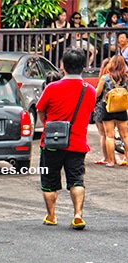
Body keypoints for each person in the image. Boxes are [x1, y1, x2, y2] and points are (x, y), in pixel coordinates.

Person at [36, 48, 96, 230]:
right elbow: (89, 112)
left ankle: (51, 215)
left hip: (51, 143)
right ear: (83, 67)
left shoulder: (52, 88)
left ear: (62, 66)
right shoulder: (90, 90)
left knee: (49, 181)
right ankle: (78, 214)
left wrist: (48, 125)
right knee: (76, 179)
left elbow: (40, 110)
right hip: (77, 143)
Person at [94, 55, 128, 167]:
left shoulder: (105, 78)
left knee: (109, 136)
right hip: (122, 108)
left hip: (107, 108)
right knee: (125, 135)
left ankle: (111, 161)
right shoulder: (126, 78)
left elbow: (97, 94)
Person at [93, 58, 110, 165]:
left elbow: (96, 94)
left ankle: (106, 158)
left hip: (101, 107)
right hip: (114, 108)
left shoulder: (104, 78)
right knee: (111, 135)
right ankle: (113, 157)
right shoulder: (118, 77)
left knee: (103, 135)